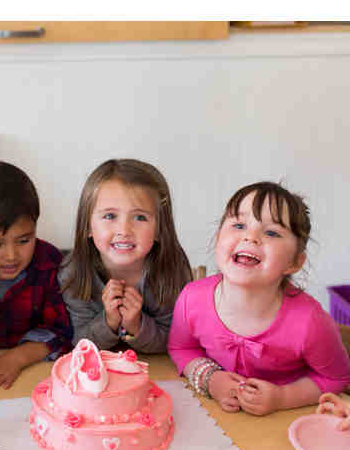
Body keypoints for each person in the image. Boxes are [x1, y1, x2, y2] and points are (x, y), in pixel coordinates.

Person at [168, 181, 350, 415]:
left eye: (272, 232)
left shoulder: (311, 322)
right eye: (239, 225)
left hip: (284, 424)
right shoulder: (191, 299)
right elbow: (182, 349)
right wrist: (211, 380)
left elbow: (337, 378)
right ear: (218, 239)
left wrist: (282, 397)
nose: (250, 237)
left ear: (295, 262)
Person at [0, 160, 73, 390]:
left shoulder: (49, 263)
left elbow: (63, 330)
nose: (11, 256)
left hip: (34, 370)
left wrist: (17, 358)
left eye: (24, 240)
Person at [59, 158, 191, 353]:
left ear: (159, 229)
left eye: (140, 217)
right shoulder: (73, 272)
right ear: (87, 226)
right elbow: (78, 342)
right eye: (110, 216)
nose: (124, 230)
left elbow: (176, 341)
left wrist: (136, 325)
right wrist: (109, 321)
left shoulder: (172, 268)